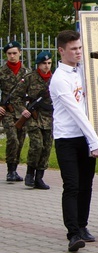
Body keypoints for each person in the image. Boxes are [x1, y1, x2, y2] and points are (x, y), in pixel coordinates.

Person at [50, 30, 98, 252]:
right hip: (67, 139)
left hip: (86, 137)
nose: (78, 52)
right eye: (73, 49)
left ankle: (82, 225)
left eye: (80, 48)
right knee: (72, 185)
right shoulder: (59, 79)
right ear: (61, 51)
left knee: (86, 184)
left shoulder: (83, 71)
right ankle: (73, 233)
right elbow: (77, 113)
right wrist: (95, 143)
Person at [20, 51, 54, 189]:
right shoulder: (30, 78)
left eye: (49, 63)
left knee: (46, 147)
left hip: (49, 117)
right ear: (38, 64)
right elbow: (17, 96)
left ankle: (39, 177)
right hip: (33, 116)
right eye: (43, 64)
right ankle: (30, 173)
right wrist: (23, 109)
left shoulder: (55, 78)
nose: (46, 66)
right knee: (37, 144)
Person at [0, 40, 29, 181]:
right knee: (12, 139)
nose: (12, 56)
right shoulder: (1, 71)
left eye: (14, 53)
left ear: (20, 53)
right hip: (7, 111)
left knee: (20, 140)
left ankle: (15, 169)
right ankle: (10, 170)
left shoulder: (26, 72)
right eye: (9, 53)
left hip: (22, 111)